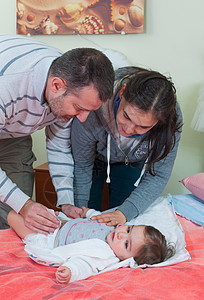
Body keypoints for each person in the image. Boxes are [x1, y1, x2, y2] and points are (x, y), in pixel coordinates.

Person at [0, 34, 114, 232]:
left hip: (11, 129)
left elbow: (58, 145)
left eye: (89, 110)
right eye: (79, 108)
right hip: (7, 101)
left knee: (17, 218)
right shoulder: (7, 86)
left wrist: (66, 202)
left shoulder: (69, 81)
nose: (83, 118)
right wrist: (24, 205)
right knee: (18, 206)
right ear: (56, 86)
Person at [71, 66, 183, 226]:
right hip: (93, 158)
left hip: (132, 161)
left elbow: (158, 175)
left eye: (143, 127)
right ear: (122, 92)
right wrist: (80, 211)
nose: (129, 130)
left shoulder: (171, 120)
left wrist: (124, 213)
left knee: (123, 216)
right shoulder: (94, 101)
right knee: (87, 208)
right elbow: (82, 166)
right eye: (126, 116)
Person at [7, 206, 175, 284]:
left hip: (49, 239)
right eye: (129, 229)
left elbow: (86, 264)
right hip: (59, 223)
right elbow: (99, 217)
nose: (122, 234)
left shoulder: (105, 254)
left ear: (126, 259)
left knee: (12, 216)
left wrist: (71, 272)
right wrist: (87, 213)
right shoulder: (115, 226)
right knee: (28, 210)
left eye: (126, 243)